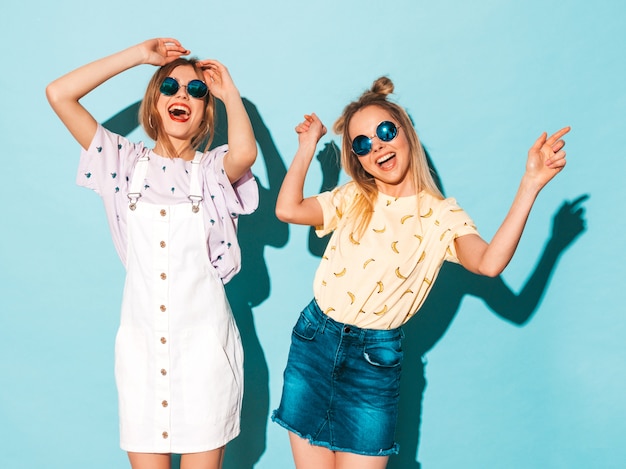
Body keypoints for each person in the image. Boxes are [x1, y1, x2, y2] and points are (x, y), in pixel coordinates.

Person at [272, 76, 569, 469]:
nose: (376, 145)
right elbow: (288, 209)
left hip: (372, 364)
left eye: (384, 131)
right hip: (315, 342)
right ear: (358, 159)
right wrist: (307, 148)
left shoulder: (443, 216)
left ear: (406, 133)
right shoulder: (354, 197)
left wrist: (530, 186)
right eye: (362, 143)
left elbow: (489, 263)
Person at [46, 38, 258, 469]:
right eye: (171, 88)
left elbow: (245, 153)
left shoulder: (213, 172)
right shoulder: (122, 162)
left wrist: (229, 91)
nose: (183, 95)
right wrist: (139, 58)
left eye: (196, 91)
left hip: (203, 357)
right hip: (142, 358)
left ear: (205, 113)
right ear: (154, 104)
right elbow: (58, 94)